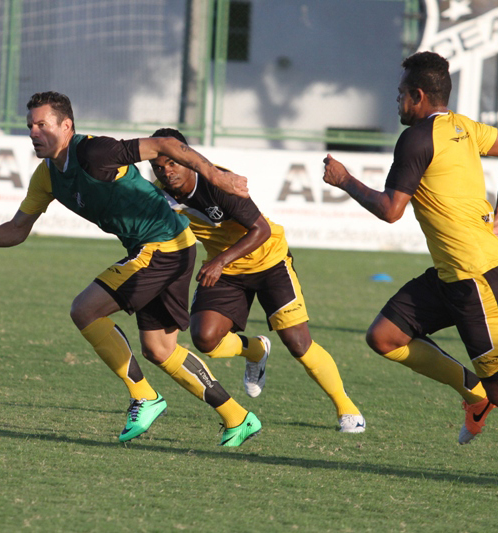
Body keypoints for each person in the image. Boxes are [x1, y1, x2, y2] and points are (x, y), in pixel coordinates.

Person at [0, 91, 260, 447]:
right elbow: (18, 230)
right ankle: (238, 417)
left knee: (85, 309)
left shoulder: (95, 152)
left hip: (161, 246)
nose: (34, 133)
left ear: (66, 126)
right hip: (169, 246)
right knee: (160, 349)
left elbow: (165, 144)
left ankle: (144, 397)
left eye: (42, 125)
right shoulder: (47, 176)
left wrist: (216, 176)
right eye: (30, 126)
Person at [322, 51, 498, 444]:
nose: (397, 101)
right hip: (452, 274)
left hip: (478, 277)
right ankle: (474, 394)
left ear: (418, 96)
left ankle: (488, 396)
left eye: (401, 93)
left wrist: (345, 180)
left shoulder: (416, 138)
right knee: (385, 336)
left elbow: (391, 210)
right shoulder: (461, 126)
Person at [149, 128, 366, 433]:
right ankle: (256, 351)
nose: (166, 171)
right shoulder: (158, 192)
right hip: (226, 269)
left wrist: (220, 261)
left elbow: (260, 229)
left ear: (188, 157)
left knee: (297, 343)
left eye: (172, 163)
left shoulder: (218, 182)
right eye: (158, 166)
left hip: (268, 259)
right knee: (205, 339)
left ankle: (348, 409)